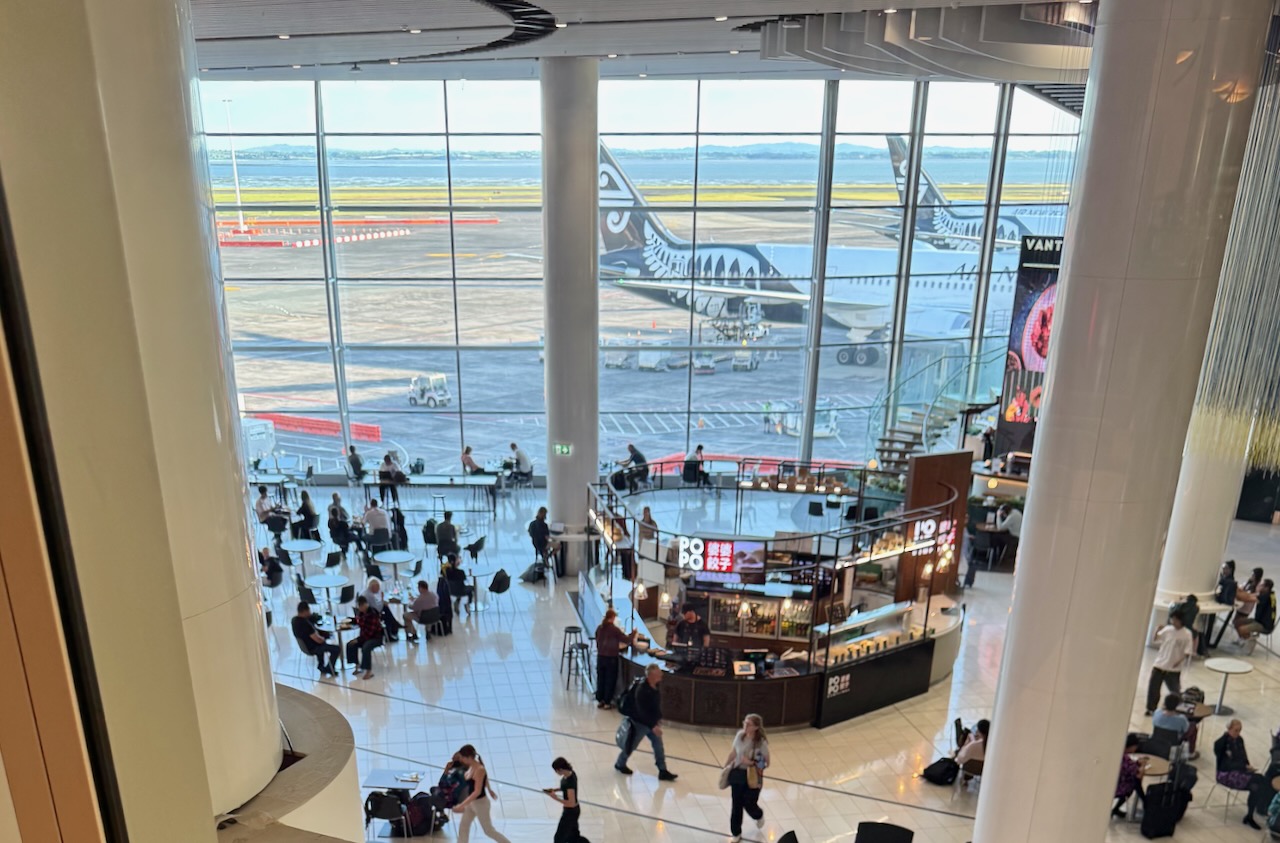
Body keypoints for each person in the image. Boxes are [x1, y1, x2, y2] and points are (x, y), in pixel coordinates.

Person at [615, 663, 678, 780]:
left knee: (658, 746)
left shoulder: (655, 686)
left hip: (651, 723)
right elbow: (642, 711)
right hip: (640, 723)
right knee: (631, 745)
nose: (661, 674)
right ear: (651, 676)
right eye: (658, 673)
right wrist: (653, 726)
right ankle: (620, 763)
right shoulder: (642, 690)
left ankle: (662, 770)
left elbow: (655, 705)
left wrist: (657, 718)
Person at [1214, 719, 1270, 829]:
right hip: (1226, 774)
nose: (1238, 733)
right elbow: (1225, 764)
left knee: (1258, 785)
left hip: (1240, 771)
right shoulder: (1221, 743)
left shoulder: (1239, 740)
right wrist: (1243, 766)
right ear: (1229, 729)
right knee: (1258, 781)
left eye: (1239, 730)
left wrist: (1247, 766)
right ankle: (1257, 810)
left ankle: (1250, 815)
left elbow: (1243, 757)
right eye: (1236, 730)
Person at [723, 713, 769, 842]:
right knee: (736, 804)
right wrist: (726, 766)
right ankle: (736, 832)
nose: (745, 725)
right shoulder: (740, 736)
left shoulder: (760, 743)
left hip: (752, 776)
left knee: (749, 803)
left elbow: (766, 763)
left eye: (748, 724)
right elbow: (733, 752)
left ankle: (758, 815)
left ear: (756, 727)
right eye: (745, 722)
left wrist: (750, 762)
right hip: (738, 774)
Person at [451, 744, 512, 843]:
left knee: (488, 830)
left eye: (463, 757)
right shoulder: (471, 766)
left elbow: (477, 791)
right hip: (471, 803)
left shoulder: (479, 769)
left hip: (480, 804)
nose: (462, 760)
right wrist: (489, 789)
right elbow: (485, 779)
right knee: (463, 826)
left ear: (469, 757)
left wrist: (462, 805)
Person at [1145, 613, 1193, 715]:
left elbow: (1187, 651)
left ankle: (1177, 708)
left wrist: (1179, 661)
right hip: (1160, 664)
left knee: (1175, 691)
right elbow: (1156, 639)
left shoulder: (1187, 634)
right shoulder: (1168, 630)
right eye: (1172, 620)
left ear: (1180, 620)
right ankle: (1151, 709)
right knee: (1153, 688)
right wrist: (1157, 630)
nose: (1173, 622)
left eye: (1175, 620)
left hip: (1173, 669)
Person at [594, 609, 638, 709]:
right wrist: (633, 633)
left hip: (600, 657)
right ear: (613, 618)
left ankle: (600, 699)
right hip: (611, 658)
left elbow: (597, 638)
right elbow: (626, 640)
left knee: (601, 679)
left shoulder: (600, 628)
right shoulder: (614, 629)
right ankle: (607, 702)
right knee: (610, 679)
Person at [292, 602, 339, 677]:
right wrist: (324, 638)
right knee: (336, 648)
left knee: (323, 643)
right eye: (309, 610)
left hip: (305, 646)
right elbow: (318, 640)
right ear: (305, 611)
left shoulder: (294, 620)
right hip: (313, 647)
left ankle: (321, 666)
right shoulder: (305, 624)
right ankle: (329, 668)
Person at [345, 596, 383, 681]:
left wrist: (358, 640)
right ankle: (357, 666)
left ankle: (369, 671)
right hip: (365, 637)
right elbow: (358, 620)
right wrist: (350, 620)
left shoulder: (372, 614)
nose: (359, 608)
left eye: (360, 606)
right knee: (350, 644)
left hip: (375, 638)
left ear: (365, 605)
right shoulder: (362, 613)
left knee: (366, 647)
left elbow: (370, 633)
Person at [545, 757, 580, 843]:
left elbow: (571, 803)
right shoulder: (570, 774)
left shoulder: (570, 782)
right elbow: (564, 788)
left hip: (570, 812)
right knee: (573, 834)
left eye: (556, 771)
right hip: (573, 811)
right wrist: (554, 790)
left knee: (559, 838)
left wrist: (555, 798)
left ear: (560, 769)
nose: (556, 773)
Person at [1236, 579, 1277, 653]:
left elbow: (1247, 598)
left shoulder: (1265, 597)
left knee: (1241, 629)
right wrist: (1240, 591)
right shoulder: (1270, 593)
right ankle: (1244, 638)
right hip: (1259, 620)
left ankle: (1250, 639)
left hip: (1264, 625)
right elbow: (1249, 595)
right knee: (1236, 622)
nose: (1259, 586)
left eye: (1261, 585)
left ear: (1266, 588)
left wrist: (1236, 592)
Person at [1113, 733, 1147, 818]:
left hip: (1114, 782)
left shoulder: (1119, 753)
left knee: (1136, 783)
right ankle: (1146, 803)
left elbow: (1129, 767)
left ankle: (1145, 802)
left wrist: (1136, 763)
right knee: (1135, 783)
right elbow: (1139, 775)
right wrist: (1143, 765)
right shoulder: (1126, 759)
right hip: (1118, 787)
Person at [1153, 693, 1198, 757]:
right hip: (1175, 740)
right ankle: (1191, 752)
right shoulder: (1181, 719)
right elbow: (1185, 730)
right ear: (1177, 705)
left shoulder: (1157, 712)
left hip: (1158, 737)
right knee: (1193, 726)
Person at [362, 577, 401, 642]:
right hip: (371, 615)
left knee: (385, 608)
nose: (379, 589)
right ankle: (390, 631)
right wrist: (382, 600)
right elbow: (378, 609)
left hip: (369, 612)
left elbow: (375, 604)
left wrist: (382, 602)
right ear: (373, 587)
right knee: (387, 615)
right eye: (378, 587)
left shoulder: (366, 592)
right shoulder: (370, 596)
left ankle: (395, 625)